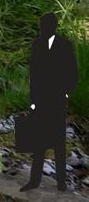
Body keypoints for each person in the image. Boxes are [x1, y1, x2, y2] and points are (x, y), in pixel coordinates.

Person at [22, 12, 78, 189]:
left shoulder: (64, 46)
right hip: (41, 99)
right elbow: (34, 73)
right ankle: (34, 180)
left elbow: (73, 73)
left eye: (45, 26)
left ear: (53, 27)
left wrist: (65, 93)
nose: (43, 29)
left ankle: (61, 182)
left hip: (57, 99)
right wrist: (33, 99)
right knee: (38, 141)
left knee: (58, 142)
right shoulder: (37, 45)